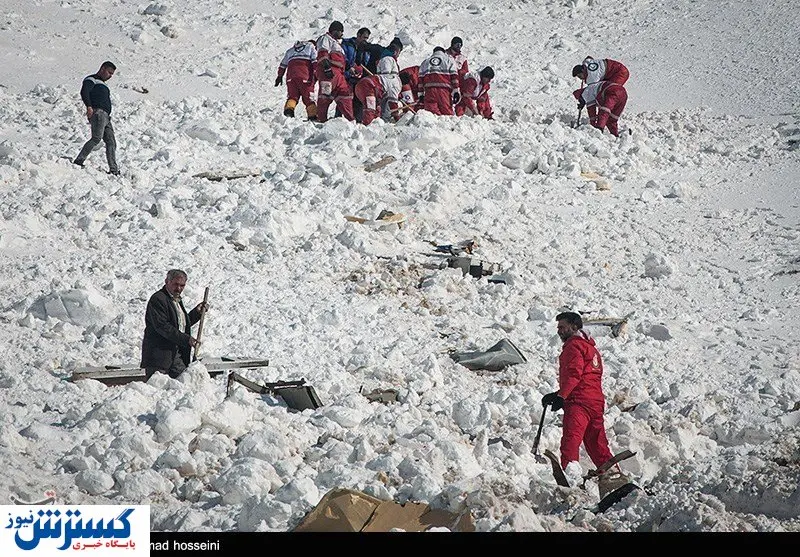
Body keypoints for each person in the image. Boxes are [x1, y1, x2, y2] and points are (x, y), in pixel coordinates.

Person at [541, 312, 615, 473]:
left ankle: (570, 476)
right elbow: (585, 378)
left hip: (579, 403)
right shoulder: (591, 349)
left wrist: (562, 396)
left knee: (571, 442)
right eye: (558, 327)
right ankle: (614, 476)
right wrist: (557, 394)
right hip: (595, 402)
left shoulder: (573, 346)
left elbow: (574, 374)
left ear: (574, 327)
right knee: (597, 444)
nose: (559, 330)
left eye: (562, 327)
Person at [141, 269, 208, 380]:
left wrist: (197, 313)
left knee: (184, 383)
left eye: (182, 285)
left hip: (175, 355)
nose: (179, 288)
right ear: (167, 282)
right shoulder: (158, 299)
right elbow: (163, 327)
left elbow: (180, 325)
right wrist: (186, 339)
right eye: (176, 284)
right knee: (158, 387)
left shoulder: (175, 300)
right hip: (159, 358)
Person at [72, 61, 119, 175]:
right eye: (109, 72)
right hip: (98, 112)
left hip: (106, 116)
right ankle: (79, 160)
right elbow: (84, 92)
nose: (110, 76)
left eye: (112, 74)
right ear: (102, 69)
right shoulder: (91, 79)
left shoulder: (103, 84)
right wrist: (89, 106)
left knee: (111, 142)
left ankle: (114, 170)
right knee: (96, 138)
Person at [315, 21, 354, 122]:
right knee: (325, 97)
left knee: (345, 95)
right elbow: (323, 53)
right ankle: (321, 120)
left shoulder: (336, 43)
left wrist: (349, 68)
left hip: (339, 75)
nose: (342, 34)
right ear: (335, 31)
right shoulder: (325, 38)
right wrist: (327, 68)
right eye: (341, 31)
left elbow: (342, 61)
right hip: (329, 72)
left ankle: (351, 120)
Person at [275, 40, 318, 120]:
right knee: (308, 98)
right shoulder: (311, 47)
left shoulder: (290, 51)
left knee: (292, 97)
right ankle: (313, 116)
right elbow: (315, 61)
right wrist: (318, 73)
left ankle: (288, 111)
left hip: (291, 78)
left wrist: (279, 76)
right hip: (305, 77)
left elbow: (283, 64)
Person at [419, 47, 459, 116]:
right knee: (447, 114)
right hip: (444, 91)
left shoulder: (425, 62)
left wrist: (421, 94)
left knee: (431, 115)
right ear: (443, 52)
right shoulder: (449, 60)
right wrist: (456, 91)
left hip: (429, 91)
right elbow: (454, 77)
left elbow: (420, 80)